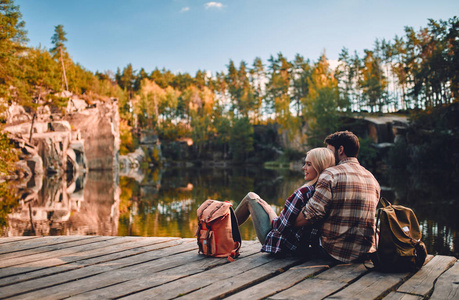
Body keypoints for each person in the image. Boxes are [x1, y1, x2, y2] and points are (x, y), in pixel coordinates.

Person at [295, 130, 381, 263]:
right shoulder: (372, 178)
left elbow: (311, 214)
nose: (328, 156)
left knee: (254, 202)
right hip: (365, 253)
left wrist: (287, 222)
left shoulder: (330, 174)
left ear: (340, 150)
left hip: (334, 253)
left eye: (330, 151)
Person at [234, 147, 335, 256]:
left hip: (281, 245)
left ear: (319, 167)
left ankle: (223, 230)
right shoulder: (327, 193)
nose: (303, 167)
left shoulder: (303, 193)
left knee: (251, 197)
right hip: (302, 247)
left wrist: (270, 211)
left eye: (309, 164)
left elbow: (278, 226)